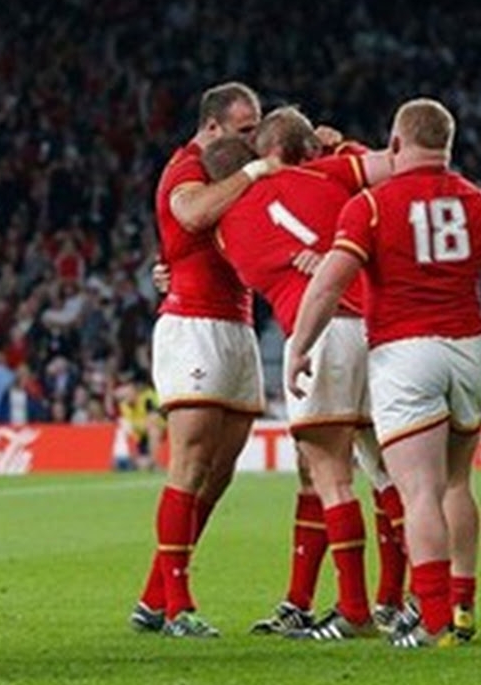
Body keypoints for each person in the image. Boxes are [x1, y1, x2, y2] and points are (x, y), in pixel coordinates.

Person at [201, 110, 404, 641]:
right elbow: (394, 164)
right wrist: (345, 147)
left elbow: (241, 263)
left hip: (321, 334)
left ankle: (355, 611)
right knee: (388, 474)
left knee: (328, 477)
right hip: (378, 332)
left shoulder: (231, 227)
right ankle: (398, 603)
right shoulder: (332, 173)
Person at [287, 98, 481, 648]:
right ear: (448, 145)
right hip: (469, 346)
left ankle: (434, 619)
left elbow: (327, 285)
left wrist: (300, 346)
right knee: (457, 483)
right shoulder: (475, 201)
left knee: (418, 490)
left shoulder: (371, 205)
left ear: (395, 144)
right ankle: (463, 605)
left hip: (405, 350)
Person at [131, 82, 276, 638]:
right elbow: (190, 214)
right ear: (211, 126)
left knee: (218, 475)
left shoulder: (239, 165)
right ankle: (177, 606)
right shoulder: (187, 166)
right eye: (245, 128)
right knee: (190, 465)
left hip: (237, 324)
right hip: (194, 324)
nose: (254, 138)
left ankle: (153, 596)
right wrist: (254, 174)